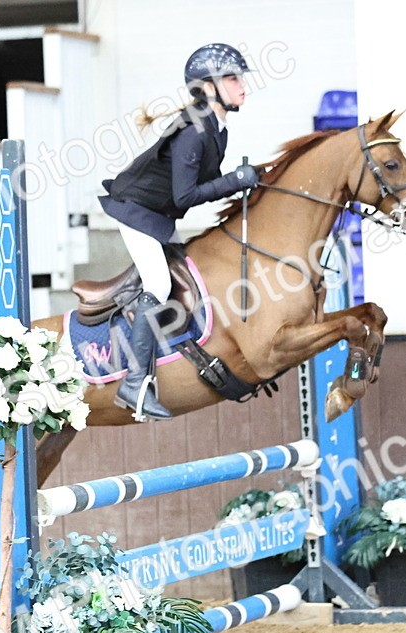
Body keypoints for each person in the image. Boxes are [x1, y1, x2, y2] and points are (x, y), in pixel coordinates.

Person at [99, 42, 261, 421]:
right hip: (136, 212)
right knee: (158, 285)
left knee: (185, 276)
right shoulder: (195, 130)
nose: (243, 86)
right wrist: (235, 181)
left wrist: (246, 180)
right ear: (208, 87)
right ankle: (134, 383)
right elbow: (185, 196)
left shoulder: (216, 127)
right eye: (233, 79)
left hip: (157, 217)